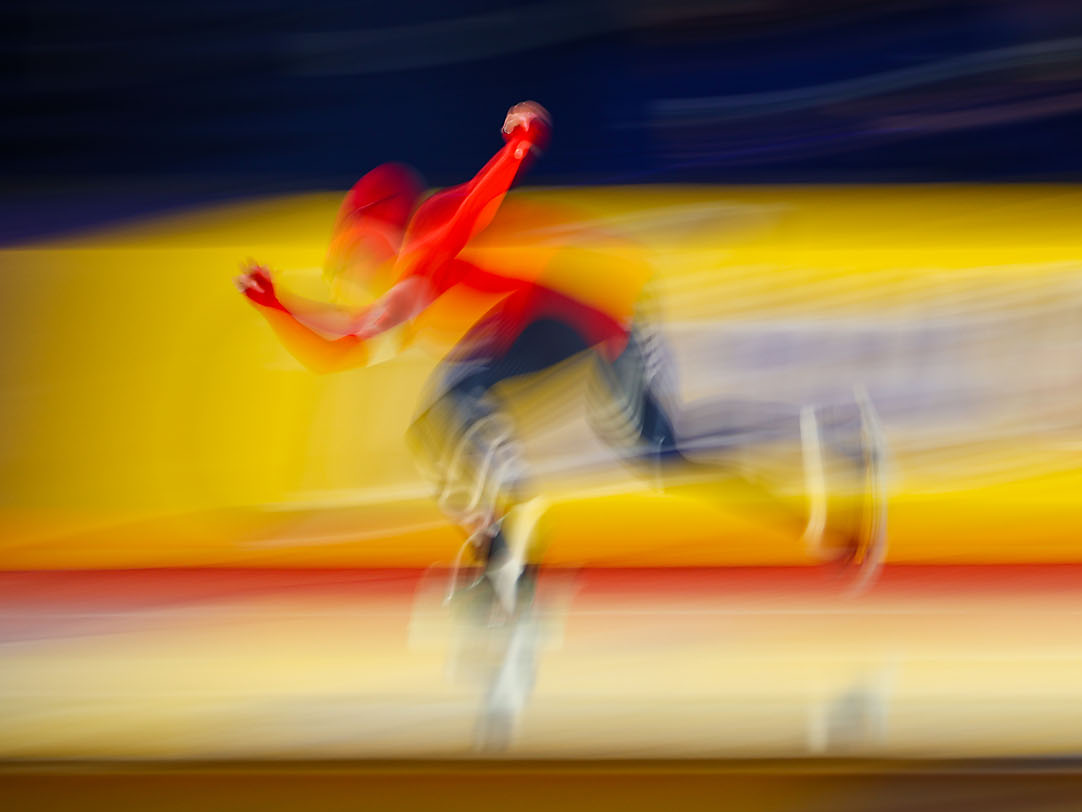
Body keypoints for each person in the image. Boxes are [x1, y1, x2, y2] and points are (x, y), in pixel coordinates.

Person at [235, 102, 885, 617]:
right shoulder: (410, 280)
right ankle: (828, 443)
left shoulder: (429, 231)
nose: (360, 262)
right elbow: (342, 348)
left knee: (454, 399)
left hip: (584, 316)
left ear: (384, 223)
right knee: (661, 452)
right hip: (569, 322)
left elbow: (476, 203)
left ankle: (508, 546)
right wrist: (277, 307)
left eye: (359, 245)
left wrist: (517, 146)